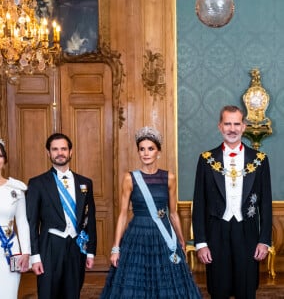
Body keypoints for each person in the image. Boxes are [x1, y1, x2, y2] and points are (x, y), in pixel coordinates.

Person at [100, 126, 202, 298]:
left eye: (150, 149)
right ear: (138, 152)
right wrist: (116, 248)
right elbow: (123, 214)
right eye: (142, 149)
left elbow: (173, 213)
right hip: (137, 235)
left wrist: (181, 241)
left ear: (158, 151)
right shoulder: (129, 178)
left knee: (167, 281)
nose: (146, 153)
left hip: (164, 236)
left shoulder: (169, 177)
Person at [192, 105, 272, 299]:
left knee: (246, 290)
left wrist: (264, 241)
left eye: (237, 123)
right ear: (220, 126)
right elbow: (199, 203)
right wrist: (201, 243)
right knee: (218, 290)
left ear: (244, 126)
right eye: (227, 123)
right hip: (216, 232)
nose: (232, 129)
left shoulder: (260, 160)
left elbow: (266, 204)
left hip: (248, 233)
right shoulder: (206, 159)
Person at [26, 133, 97, 299]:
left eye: (64, 149)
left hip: (76, 247)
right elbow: (32, 223)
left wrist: (91, 252)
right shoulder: (37, 183)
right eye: (55, 149)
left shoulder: (85, 183)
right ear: (48, 153)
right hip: (49, 247)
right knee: (48, 294)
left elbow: (90, 220)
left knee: (73, 294)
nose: (60, 153)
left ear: (70, 152)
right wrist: (34, 256)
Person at [0, 137, 30, 299]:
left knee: (8, 294)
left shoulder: (16, 188)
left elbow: (23, 222)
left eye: (0, 155)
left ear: (5, 159)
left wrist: (26, 252)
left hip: (10, 250)